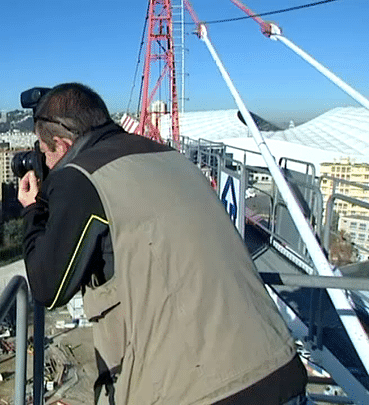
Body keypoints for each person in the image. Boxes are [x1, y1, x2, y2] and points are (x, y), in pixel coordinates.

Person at [18, 83, 306, 405]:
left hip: (202, 393)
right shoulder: (172, 157)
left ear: (62, 143)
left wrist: (33, 210)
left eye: (45, 154)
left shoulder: (81, 177)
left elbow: (48, 288)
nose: (44, 163)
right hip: (280, 367)